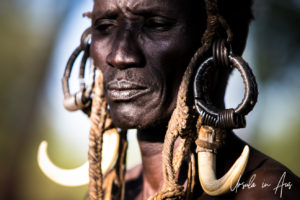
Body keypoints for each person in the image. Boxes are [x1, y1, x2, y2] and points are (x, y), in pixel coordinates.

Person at [39, 0, 300, 199]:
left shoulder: (271, 191)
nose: (119, 56)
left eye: (156, 24)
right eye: (105, 27)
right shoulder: (110, 192)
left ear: (227, 41)